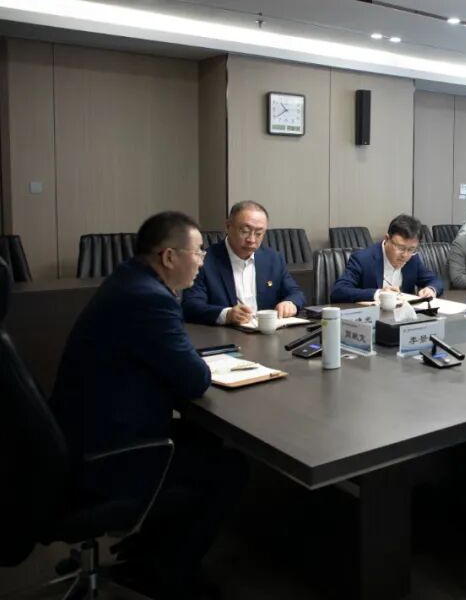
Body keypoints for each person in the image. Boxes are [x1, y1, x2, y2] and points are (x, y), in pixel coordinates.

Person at [50, 212, 246, 599]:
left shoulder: (128, 280)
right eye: (198, 252)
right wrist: (189, 360)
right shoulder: (150, 299)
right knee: (231, 469)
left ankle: (147, 551)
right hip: (106, 455)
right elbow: (194, 379)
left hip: (82, 435)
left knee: (204, 438)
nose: (202, 261)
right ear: (169, 257)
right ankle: (169, 575)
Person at [182, 200, 306, 325]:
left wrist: (290, 303)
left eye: (259, 233)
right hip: (226, 333)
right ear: (228, 226)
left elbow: (296, 293)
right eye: (245, 231)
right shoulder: (204, 261)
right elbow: (191, 305)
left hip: (267, 332)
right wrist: (227, 314)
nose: (251, 239)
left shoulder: (273, 259)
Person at [331, 213, 443, 302]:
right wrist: (378, 294)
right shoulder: (363, 259)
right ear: (387, 239)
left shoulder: (413, 259)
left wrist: (431, 289)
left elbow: (435, 281)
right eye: (400, 248)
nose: (405, 255)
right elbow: (338, 291)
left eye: (411, 249)